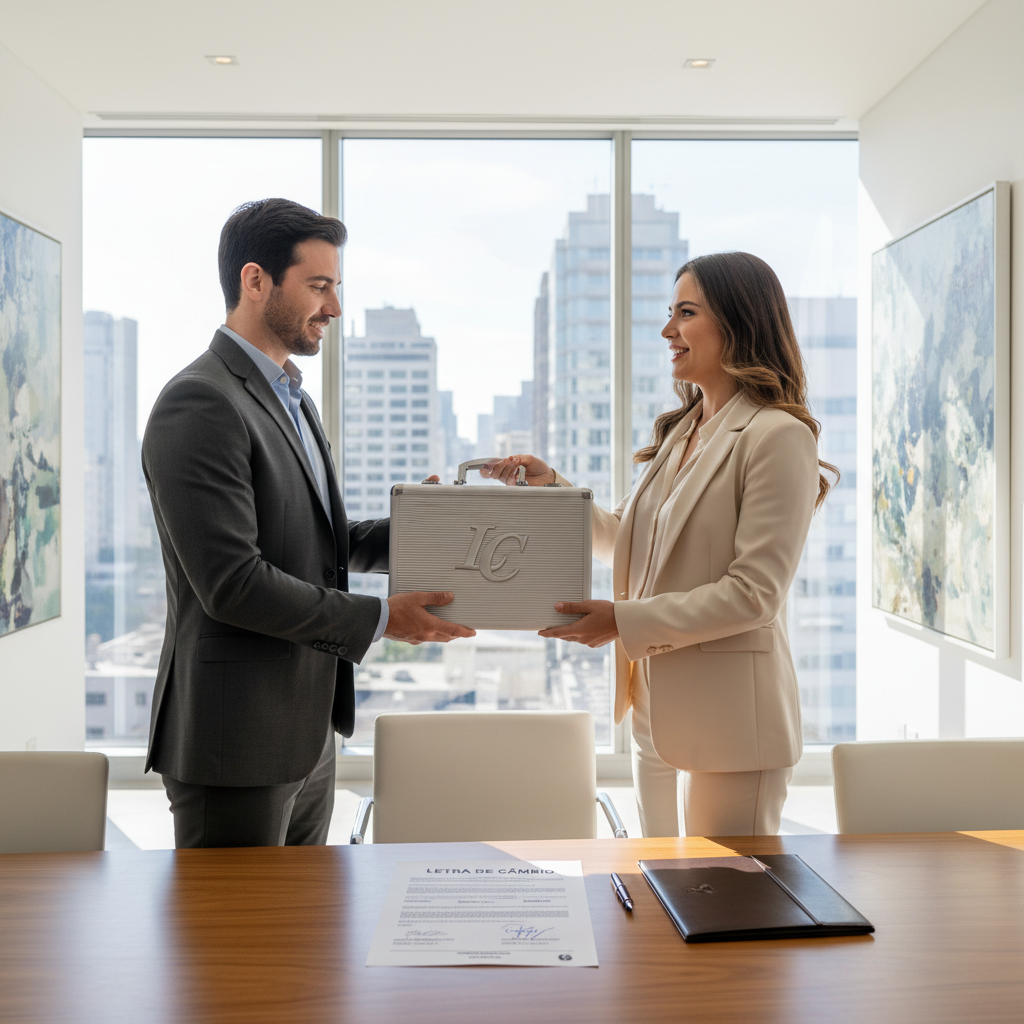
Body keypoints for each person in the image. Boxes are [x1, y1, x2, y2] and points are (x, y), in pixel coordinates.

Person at [142, 198, 474, 849]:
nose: (335, 308)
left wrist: (431, 530)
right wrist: (381, 617)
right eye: (319, 286)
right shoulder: (201, 401)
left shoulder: (290, 396)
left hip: (308, 732)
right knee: (232, 945)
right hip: (235, 741)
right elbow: (232, 582)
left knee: (296, 940)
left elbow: (324, 543)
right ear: (255, 280)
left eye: (336, 287)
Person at [483, 251, 833, 837]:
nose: (668, 330)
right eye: (670, 313)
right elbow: (631, 541)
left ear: (737, 321)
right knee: (658, 895)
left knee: (724, 905)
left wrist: (621, 620)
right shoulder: (683, 431)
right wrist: (556, 491)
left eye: (686, 313)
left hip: (732, 728)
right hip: (654, 716)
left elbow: (754, 596)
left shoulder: (777, 435)